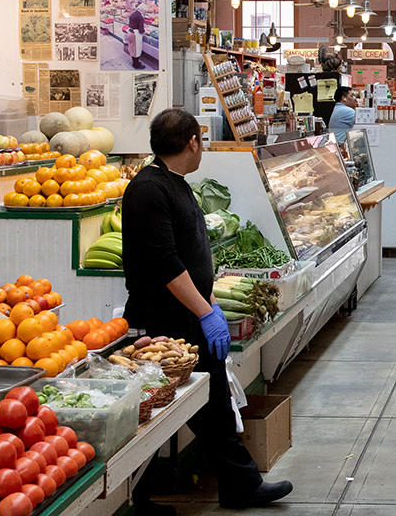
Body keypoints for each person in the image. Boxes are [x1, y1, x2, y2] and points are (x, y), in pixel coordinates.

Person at [122, 109, 292, 513]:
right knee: (155, 410)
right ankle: (137, 500)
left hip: (189, 313)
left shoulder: (175, 183)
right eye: (201, 139)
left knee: (206, 403)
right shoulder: (148, 190)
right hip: (162, 320)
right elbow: (167, 265)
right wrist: (205, 311)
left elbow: (191, 257)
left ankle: (238, 484)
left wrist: (210, 302)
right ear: (192, 142)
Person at [126, 1, 149, 70]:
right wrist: (146, 31)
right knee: (137, 49)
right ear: (143, 10)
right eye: (145, 11)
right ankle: (136, 64)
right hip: (135, 34)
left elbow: (133, 23)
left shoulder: (133, 14)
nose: (144, 13)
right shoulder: (140, 17)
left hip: (130, 32)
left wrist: (142, 25)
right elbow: (141, 30)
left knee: (132, 49)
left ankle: (135, 62)